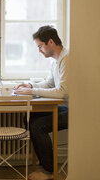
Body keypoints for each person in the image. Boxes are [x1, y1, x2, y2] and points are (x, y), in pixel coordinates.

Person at [14, 25, 69, 180]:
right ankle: (45, 165)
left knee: (37, 126)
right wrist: (30, 85)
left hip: (74, 110)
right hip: (64, 107)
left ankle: (49, 171)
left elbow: (62, 92)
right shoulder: (56, 61)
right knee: (30, 117)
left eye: (40, 46)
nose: (39, 50)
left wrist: (32, 91)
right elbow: (49, 83)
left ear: (50, 42)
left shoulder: (67, 58)